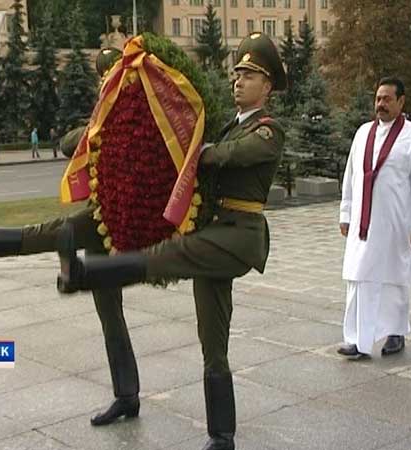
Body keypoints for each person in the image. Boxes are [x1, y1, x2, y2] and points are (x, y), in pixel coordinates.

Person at [55, 33, 286, 450]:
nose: (238, 81)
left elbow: (228, 156)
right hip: (214, 233)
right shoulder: (224, 124)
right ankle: (223, 436)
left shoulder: (268, 131)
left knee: (169, 254)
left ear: (267, 87)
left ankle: (88, 273)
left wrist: (199, 150)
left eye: (249, 75)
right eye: (236, 73)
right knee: (212, 340)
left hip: (239, 236)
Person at [0, 46, 138, 429]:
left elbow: (95, 143)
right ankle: (126, 395)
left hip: (116, 219)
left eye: (109, 74)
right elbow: (68, 144)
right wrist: (97, 124)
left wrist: (100, 126)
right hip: (102, 217)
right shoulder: (103, 116)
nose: (104, 81)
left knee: (49, 233)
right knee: (109, 313)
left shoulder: (135, 116)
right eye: (102, 75)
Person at [337, 77, 411, 359]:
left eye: (387, 99)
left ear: (401, 102)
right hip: (363, 224)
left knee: (394, 281)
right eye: (378, 99)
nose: (380, 104)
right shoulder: (363, 133)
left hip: (396, 224)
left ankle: (395, 334)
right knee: (357, 278)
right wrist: (346, 213)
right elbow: (351, 177)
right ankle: (356, 340)